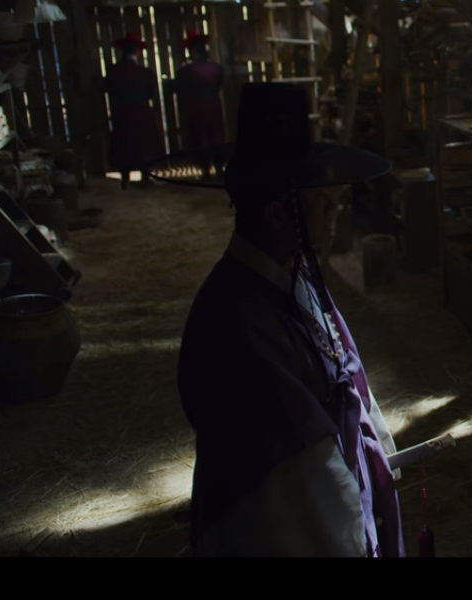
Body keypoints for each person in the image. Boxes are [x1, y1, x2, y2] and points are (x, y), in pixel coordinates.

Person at [148, 82, 404, 557]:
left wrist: (376, 462)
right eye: (315, 195)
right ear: (277, 213)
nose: (331, 204)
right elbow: (300, 477)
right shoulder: (237, 324)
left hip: (334, 495)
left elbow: (346, 372)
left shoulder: (295, 277)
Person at [104, 32, 164, 189]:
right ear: (137, 52)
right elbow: (152, 94)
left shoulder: (113, 71)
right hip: (142, 112)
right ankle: (145, 177)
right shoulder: (145, 72)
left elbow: (107, 89)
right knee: (143, 144)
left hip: (122, 112)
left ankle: (125, 178)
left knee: (124, 143)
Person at [172, 29, 227, 152]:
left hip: (196, 107)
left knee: (199, 140)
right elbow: (219, 84)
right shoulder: (216, 68)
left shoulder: (187, 70)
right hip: (213, 105)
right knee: (215, 137)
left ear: (193, 51)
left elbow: (177, 87)